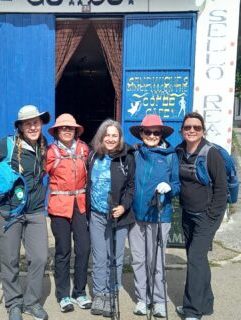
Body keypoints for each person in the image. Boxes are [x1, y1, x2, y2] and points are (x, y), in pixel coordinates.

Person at [0, 105, 50, 320]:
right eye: (27, 123)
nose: (33, 126)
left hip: (36, 212)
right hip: (7, 213)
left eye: (36, 122)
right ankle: (13, 304)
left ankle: (31, 302)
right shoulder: (7, 145)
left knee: (39, 257)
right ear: (20, 126)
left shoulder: (44, 146)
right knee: (10, 259)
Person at [175, 112, 228, 320]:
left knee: (195, 259)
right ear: (182, 130)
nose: (192, 131)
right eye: (188, 127)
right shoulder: (180, 151)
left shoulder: (211, 153)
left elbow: (222, 189)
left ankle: (192, 311)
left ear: (202, 130)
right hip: (188, 214)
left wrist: (211, 215)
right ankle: (205, 304)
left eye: (196, 127)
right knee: (198, 259)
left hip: (207, 215)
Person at [128, 114, 180, 318]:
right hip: (136, 216)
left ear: (161, 134)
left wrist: (169, 188)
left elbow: (177, 184)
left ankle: (159, 300)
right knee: (138, 260)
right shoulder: (135, 154)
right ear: (141, 133)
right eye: (147, 131)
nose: (151, 135)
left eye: (155, 132)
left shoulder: (170, 155)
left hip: (160, 214)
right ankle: (142, 299)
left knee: (156, 261)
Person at [87, 119, 135, 317]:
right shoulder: (93, 156)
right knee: (99, 256)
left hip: (119, 216)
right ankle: (100, 294)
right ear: (101, 136)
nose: (110, 139)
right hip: (97, 214)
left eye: (114, 135)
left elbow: (132, 186)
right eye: (107, 135)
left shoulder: (127, 157)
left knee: (115, 256)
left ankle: (112, 290)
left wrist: (123, 206)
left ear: (120, 138)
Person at [46, 113, 91, 313]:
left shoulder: (84, 149)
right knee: (63, 250)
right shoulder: (50, 152)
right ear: (56, 131)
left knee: (83, 248)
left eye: (70, 128)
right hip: (59, 205)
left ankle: (79, 292)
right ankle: (63, 294)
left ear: (75, 131)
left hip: (80, 204)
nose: (66, 130)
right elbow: (37, 175)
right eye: (63, 128)